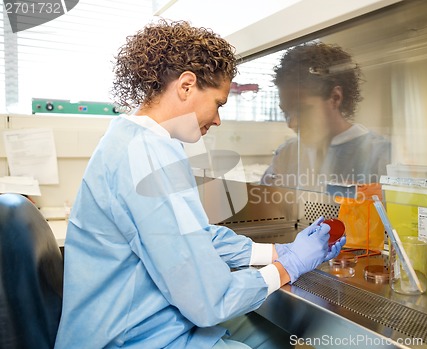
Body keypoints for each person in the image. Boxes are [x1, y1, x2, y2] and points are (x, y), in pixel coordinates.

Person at [54, 20, 346, 349]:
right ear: (186, 86)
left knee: (275, 336)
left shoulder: (140, 141)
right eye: (219, 103)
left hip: (151, 323)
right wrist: (288, 266)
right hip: (132, 339)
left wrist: (279, 250)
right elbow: (210, 301)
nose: (218, 119)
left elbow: (195, 236)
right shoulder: (145, 156)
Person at [261, 42, 391, 192]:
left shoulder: (380, 155)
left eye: (302, 110)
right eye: (286, 112)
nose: (291, 123)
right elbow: (265, 206)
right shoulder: (287, 153)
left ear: (335, 97)